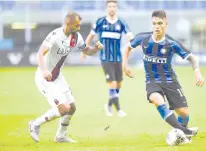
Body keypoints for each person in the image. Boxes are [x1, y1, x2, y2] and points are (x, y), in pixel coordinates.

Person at [122, 10, 204, 143]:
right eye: (154, 23)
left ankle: (181, 133)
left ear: (166, 24)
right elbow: (127, 48)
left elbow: (192, 58)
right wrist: (124, 66)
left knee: (183, 113)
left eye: (160, 23)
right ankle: (185, 132)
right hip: (152, 81)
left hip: (170, 81)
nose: (157, 26)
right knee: (156, 99)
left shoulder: (171, 43)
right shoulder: (143, 38)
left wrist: (197, 71)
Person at [28, 12, 103, 143]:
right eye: (77, 25)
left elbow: (87, 51)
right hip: (45, 78)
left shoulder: (76, 37)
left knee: (72, 108)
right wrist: (44, 70)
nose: (79, 28)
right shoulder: (55, 35)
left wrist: (95, 48)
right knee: (64, 109)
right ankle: (35, 124)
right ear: (68, 24)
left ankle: (60, 136)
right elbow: (40, 54)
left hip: (57, 76)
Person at [80, 0, 133, 117]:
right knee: (112, 84)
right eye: (110, 6)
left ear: (116, 8)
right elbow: (90, 36)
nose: (112, 8)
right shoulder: (101, 21)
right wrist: (84, 51)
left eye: (114, 6)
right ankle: (119, 110)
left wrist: (133, 44)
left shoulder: (122, 23)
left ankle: (109, 105)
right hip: (105, 58)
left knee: (118, 85)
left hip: (118, 58)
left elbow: (131, 37)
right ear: (106, 8)